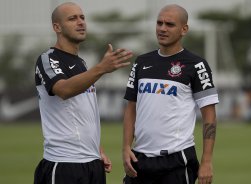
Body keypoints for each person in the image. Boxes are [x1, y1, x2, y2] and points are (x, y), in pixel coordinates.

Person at [34, 2, 133, 184]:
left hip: (92, 163)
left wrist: (98, 149)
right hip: (64, 163)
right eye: (72, 19)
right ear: (57, 27)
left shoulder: (81, 63)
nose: (80, 22)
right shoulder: (47, 59)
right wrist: (101, 68)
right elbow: (63, 90)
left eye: (82, 17)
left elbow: (83, 113)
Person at [122, 4, 219, 184]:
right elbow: (131, 107)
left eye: (169, 24)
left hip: (177, 160)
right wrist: (126, 146)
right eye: (159, 23)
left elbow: (209, 115)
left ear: (184, 29)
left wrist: (206, 161)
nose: (162, 29)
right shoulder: (142, 62)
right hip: (140, 159)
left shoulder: (196, 65)